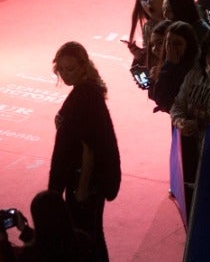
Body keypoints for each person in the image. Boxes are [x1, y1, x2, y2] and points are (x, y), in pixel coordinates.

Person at [48, 42, 121, 261]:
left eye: (70, 69)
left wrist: (82, 188)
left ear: (82, 67)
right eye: (61, 69)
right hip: (86, 180)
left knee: (88, 236)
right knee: (91, 234)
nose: (65, 74)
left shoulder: (85, 96)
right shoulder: (86, 91)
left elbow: (89, 147)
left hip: (84, 181)